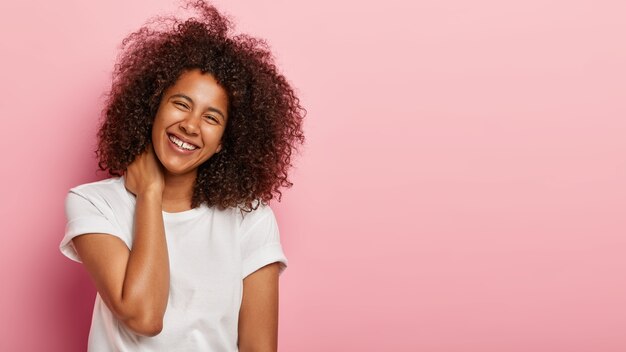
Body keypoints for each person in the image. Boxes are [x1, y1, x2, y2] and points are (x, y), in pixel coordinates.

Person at [59, 1, 305, 351]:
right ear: (153, 108)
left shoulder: (250, 219)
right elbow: (144, 316)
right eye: (181, 104)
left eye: (211, 118)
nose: (190, 125)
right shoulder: (95, 204)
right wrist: (150, 195)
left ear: (223, 142)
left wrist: (150, 191)